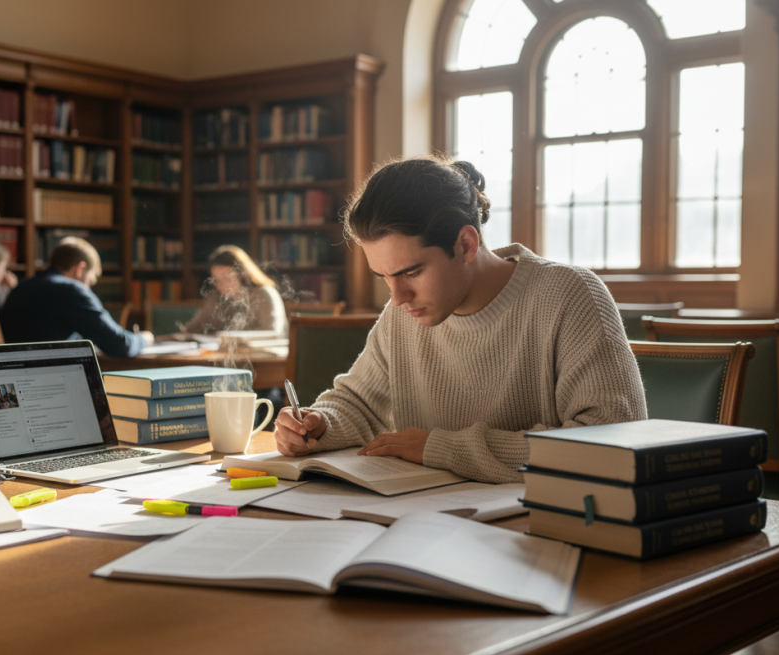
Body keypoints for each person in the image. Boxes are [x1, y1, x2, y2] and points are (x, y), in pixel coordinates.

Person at [273, 156, 647, 484]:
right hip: (423, 524)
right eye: (383, 278)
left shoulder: (568, 294)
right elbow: (358, 404)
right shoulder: (403, 314)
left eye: (412, 272)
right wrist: (319, 424)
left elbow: (609, 442)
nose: (397, 297)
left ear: (466, 244)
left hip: (541, 532)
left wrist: (445, 448)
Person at [0, 236, 152, 356]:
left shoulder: (21, 287)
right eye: (90, 280)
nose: (89, 287)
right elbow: (119, 345)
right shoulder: (72, 290)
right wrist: (145, 338)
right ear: (80, 268)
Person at [180, 245, 287, 338]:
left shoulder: (264, 294)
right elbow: (192, 330)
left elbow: (272, 332)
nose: (221, 285)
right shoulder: (216, 297)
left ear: (242, 274)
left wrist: (233, 338)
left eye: (227, 279)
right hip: (226, 358)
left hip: (265, 358)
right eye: (217, 280)